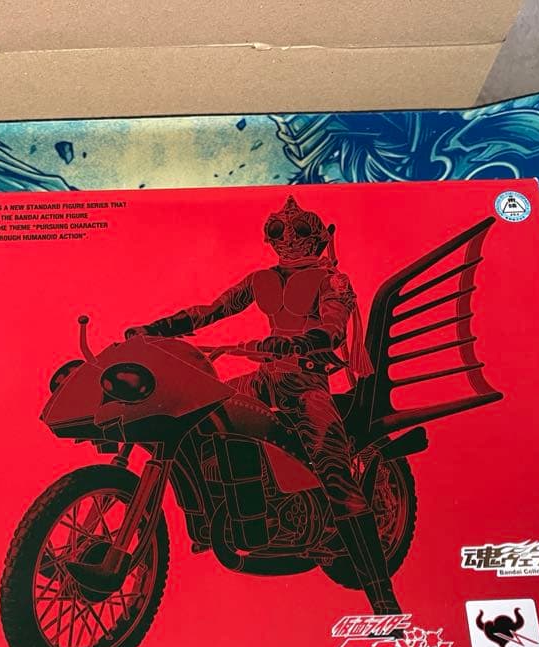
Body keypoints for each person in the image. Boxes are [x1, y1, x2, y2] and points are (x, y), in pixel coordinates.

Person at [125, 196, 401, 616]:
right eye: (278, 230)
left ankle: (383, 598)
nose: (288, 238)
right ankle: (224, 513)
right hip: (264, 377)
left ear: (319, 237)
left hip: (306, 383)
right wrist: (157, 328)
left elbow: (333, 329)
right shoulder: (260, 280)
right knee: (199, 414)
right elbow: (211, 311)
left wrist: (301, 342)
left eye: (300, 230)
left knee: (335, 476)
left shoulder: (333, 281)